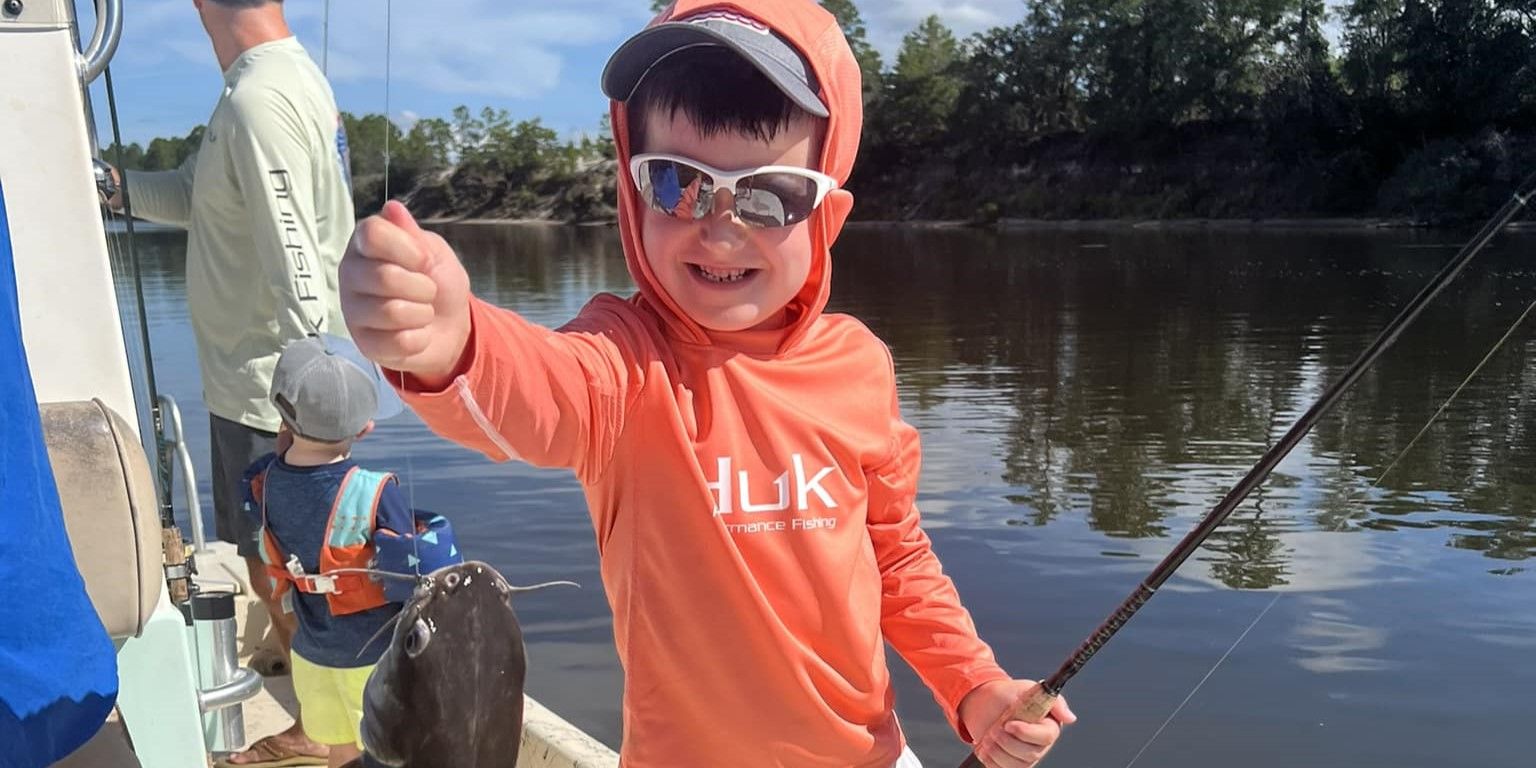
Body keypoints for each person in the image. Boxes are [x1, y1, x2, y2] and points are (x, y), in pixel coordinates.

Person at [338, 1, 1075, 766]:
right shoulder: (624, 364)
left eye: (770, 194)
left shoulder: (859, 366)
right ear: (631, 190)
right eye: (676, 183)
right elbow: (541, 387)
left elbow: (897, 560)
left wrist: (974, 684)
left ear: (828, 212)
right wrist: (451, 342)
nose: (720, 225)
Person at [107, 0, 354, 763]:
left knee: (277, 568)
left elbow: (296, 259)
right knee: (275, 563)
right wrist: (109, 184)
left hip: (269, 390)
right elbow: (195, 197)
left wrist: (311, 413)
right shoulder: (264, 85)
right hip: (257, 384)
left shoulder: (256, 99)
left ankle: (328, 734)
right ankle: (326, 711)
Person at [240, 337, 412, 768]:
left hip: (311, 655)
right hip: (371, 660)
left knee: (340, 750)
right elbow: (412, 570)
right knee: (383, 753)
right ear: (365, 428)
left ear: (282, 415)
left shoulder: (262, 484)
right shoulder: (376, 492)